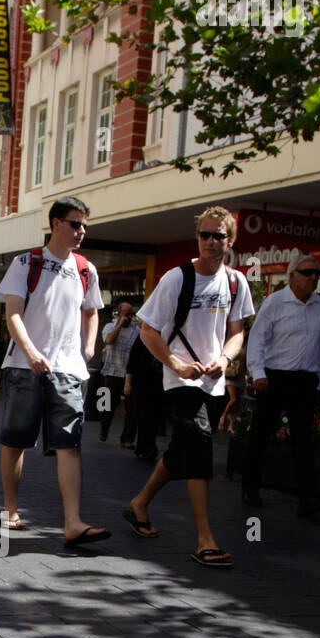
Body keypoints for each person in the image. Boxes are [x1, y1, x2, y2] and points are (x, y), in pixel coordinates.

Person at [125, 205, 252, 565]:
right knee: (199, 448)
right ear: (197, 237)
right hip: (179, 380)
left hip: (213, 380)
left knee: (183, 448)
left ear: (230, 240)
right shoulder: (176, 278)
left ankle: (139, 504)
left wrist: (225, 360)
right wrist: (177, 363)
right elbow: (147, 330)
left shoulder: (235, 282)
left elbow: (237, 332)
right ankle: (205, 539)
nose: (211, 242)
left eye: (219, 236)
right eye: (205, 235)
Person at [0, 195, 108, 545]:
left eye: (85, 225)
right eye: (75, 223)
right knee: (16, 442)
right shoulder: (26, 262)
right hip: (23, 366)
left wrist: (89, 347)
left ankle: (72, 522)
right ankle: (10, 509)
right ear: (56, 223)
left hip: (68, 370)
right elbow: (12, 313)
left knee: (69, 444)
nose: (81, 231)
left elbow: (91, 312)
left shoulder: (86, 269)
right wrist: (30, 351)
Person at [242, 256, 320, 517]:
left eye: (317, 273)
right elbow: (257, 339)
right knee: (260, 435)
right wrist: (258, 372)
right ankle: (250, 488)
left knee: (303, 440)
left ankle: (307, 498)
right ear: (292, 276)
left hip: (304, 380)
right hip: (274, 377)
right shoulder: (275, 302)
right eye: (308, 273)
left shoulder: (319, 304)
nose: (313, 277)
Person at [97, 301, 139, 444]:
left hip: (129, 374)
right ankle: (103, 429)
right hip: (110, 371)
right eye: (126, 314)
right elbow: (108, 340)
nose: (129, 317)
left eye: (131, 314)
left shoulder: (137, 331)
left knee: (132, 409)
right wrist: (120, 325)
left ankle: (127, 439)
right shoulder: (109, 326)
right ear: (119, 314)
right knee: (105, 406)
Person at [124, 334, 165, 463]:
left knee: (152, 416)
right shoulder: (143, 336)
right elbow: (132, 360)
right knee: (140, 414)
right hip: (141, 382)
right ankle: (138, 444)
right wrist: (128, 382)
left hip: (159, 382)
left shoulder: (167, 335)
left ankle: (146, 446)